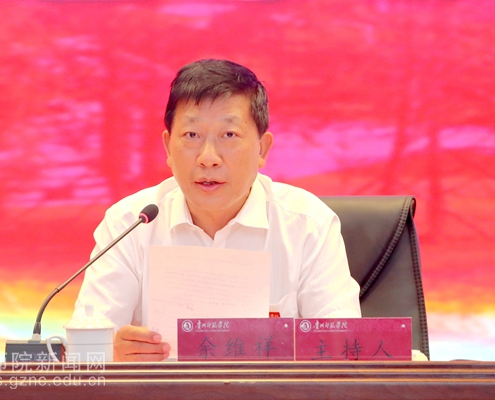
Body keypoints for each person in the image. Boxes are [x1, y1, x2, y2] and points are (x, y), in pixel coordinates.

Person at [73, 59, 361, 362]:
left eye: (229, 135)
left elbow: (346, 353)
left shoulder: (309, 225)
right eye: (192, 135)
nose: (208, 158)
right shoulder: (129, 224)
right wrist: (109, 354)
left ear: (262, 149)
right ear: (168, 147)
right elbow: (83, 353)